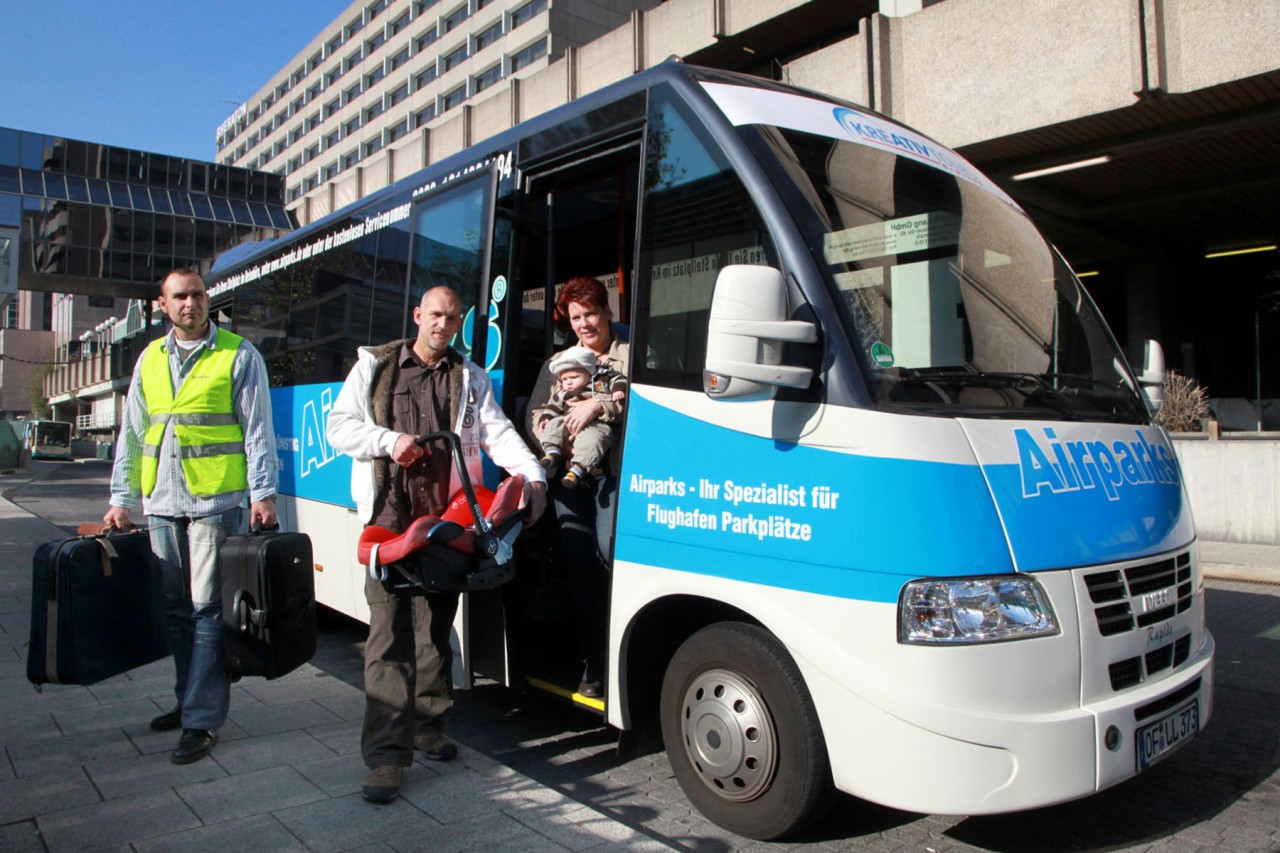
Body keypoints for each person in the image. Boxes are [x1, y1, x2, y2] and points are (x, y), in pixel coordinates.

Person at [326, 285, 548, 805]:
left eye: (451, 318)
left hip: (446, 526)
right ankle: (385, 757)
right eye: (435, 315)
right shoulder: (375, 368)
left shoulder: (467, 377)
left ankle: (428, 725)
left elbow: (498, 433)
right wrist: (389, 441)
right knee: (388, 639)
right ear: (418, 315)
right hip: (388, 524)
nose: (442, 325)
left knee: (433, 633)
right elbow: (339, 428)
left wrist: (533, 475)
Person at [103, 267, 278, 766]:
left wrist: (262, 493)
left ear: (208, 300)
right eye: (180, 297)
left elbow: (257, 430)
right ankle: (186, 701)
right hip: (161, 501)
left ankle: (201, 720)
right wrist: (122, 498)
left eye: (198, 295)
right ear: (162, 304)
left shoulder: (238, 355)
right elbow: (133, 434)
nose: (190, 304)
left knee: (205, 609)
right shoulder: (149, 360)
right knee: (175, 608)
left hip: (215, 502)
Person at [525, 276, 629, 699]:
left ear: (607, 311)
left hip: (612, 479)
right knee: (581, 571)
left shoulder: (633, 353)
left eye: (590, 314)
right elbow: (535, 412)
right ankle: (593, 665)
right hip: (569, 481)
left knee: (609, 561)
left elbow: (642, 399)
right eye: (575, 318)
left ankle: (622, 658)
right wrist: (553, 431)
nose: (584, 324)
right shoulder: (560, 361)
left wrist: (598, 405)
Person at [530, 345, 628, 489]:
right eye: (564, 379)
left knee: (592, 441)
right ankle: (552, 451)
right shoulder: (564, 393)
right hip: (568, 423)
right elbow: (552, 406)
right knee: (554, 424)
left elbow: (620, 380)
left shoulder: (601, 380)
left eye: (574, 377)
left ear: (589, 373)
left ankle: (578, 469)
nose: (568, 382)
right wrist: (545, 418)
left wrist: (617, 392)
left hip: (597, 425)